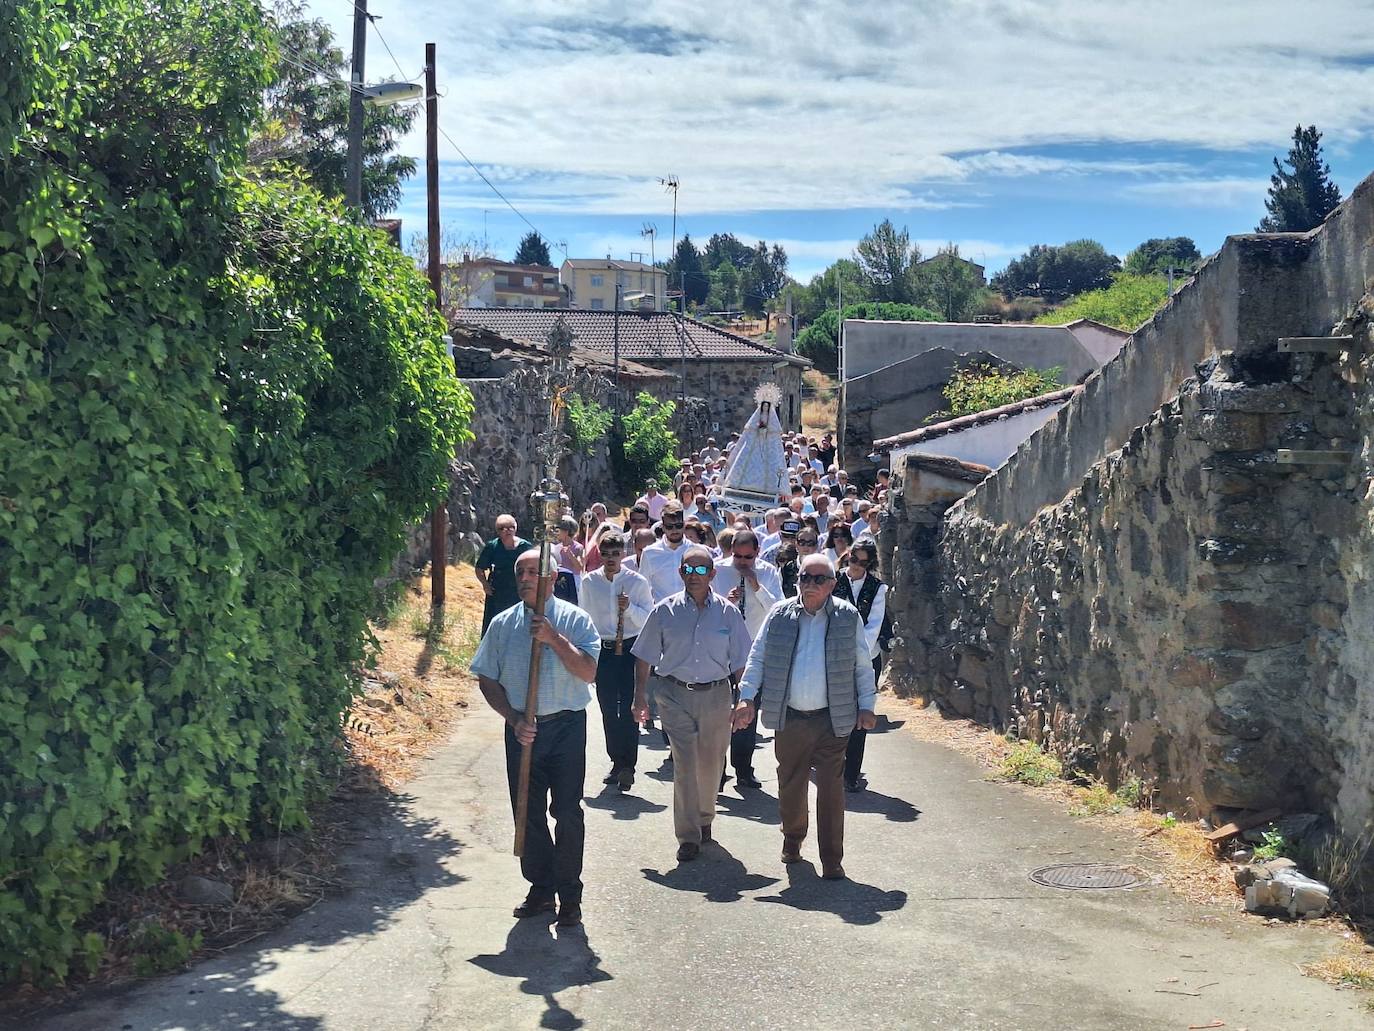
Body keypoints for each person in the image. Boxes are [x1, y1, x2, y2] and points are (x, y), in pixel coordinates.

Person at [469, 550, 602, 926]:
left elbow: (589, 671)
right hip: (522, 730)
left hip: (565, 727)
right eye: (520, 572)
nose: (526, 578)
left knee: (567, 812)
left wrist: (553, 638)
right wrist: (512, 718)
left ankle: (569, 894)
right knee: (527, 813)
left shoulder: (575, 620)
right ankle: (541, 888)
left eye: (533, 571)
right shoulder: (502, 624)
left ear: (554, 576)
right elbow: (486, 678)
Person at [732, 554, 876, 880]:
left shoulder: (847, 616)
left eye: (817, 579)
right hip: (791, 716)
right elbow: (758, 658)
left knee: (831, 788)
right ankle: (793, 838)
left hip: (832, 718)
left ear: (832, 584)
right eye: (803, 577)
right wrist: (746, 698)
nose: (809, 584)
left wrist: (867, 706)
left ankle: (832, 859)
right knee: (791, 784)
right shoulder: (779, 614)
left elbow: (861, 665)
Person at [632, 547, 751, 862]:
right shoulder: (663, 611)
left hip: (716, 695)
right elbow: (644, 656)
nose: (695, 576)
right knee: (685, 764)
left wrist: (747, 700)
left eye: (702, 571)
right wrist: (639, 696)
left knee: (711, 765)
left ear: (712, 575)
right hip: (673, 694)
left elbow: (741, 660)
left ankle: (704, 817)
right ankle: (687, 836)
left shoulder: (728, 613)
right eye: (689, 570)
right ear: (681, 572)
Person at [579, 531, 654, 792]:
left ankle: (628, 765)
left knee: (630, 707)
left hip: (631, 648)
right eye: (606, 554)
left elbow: (647, 619)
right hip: (604, 650)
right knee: (609, 708)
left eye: (616, 553)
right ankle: (615, 760)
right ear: (600, 554)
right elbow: (585, 619)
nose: (611, 558)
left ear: (624, 554)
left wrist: (629, 607)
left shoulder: (637, 582)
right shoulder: (589, 582)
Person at [714, 528, 783, 790]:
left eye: (748, 557)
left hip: (753, 649)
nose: (742, 563)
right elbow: (705, 603)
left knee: (747, 710)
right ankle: (717, 771)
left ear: (756, 553)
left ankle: (743, 769)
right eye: (738, 557)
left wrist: (757, 586)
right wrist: (725, 601)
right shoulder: (718, 571)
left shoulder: (767, 572)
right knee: (719, 710)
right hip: (721, 649)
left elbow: (778, 608)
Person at [832, 539, 888, 793]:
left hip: (866, 657)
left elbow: (873, 626)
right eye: (854, 559)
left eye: (863, 563)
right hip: (833, 655)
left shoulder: (878, 588)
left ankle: (851, 773)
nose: (857, 566)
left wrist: (854, 652)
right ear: (848, 556)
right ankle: (832, 764)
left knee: (862, 712)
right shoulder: (832, 579)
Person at [475, 515, 532, 634]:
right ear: (498, 531)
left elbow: (534, 566)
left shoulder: (525, 547)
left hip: (519, 590)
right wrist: (485, 585)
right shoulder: (493, 546)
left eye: (510, 527)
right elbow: (480, 568)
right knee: (495, 622)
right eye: (502, 528)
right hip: (497, 591)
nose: (507, 531)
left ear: (515, 528)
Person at [637, 501, 690, 603]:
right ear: (663, 527)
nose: (674, 530)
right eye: (670, 526)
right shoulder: (649, 553)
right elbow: (643, 587)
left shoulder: (695, 550)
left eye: (678, 525)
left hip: (691, 612)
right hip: (662, 613)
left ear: (684, 525)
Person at [553, 516, 583, 604]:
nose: (556, 532)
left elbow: (579, 567)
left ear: (566, 532)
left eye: (559, 530)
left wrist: (570, 555)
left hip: (573, 582)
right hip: (558, 582)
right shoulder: (556, 547)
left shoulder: (578, 548)